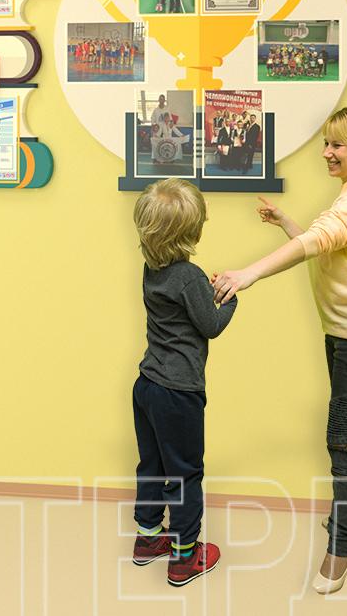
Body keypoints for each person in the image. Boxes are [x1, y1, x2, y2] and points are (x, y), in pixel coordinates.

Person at [211, 105, 347, 595]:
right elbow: (323, 245)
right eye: (326, 143)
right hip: (346, 332)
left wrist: (248, 274)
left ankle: (344, 544)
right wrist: (286, 223)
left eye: (337, 144)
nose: (327, 153)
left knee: (343, 434)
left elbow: (318, 242)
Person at [129, 179, 236, 586]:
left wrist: (203, 294)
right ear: (190, 233)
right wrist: (228, 298)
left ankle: (147, 538)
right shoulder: (189, 276)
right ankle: (185, 556)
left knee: (153, 466)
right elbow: (210, 325)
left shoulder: (151, 268)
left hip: (147, 385)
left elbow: (179, 312)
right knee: (186, 473)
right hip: (179, 392)